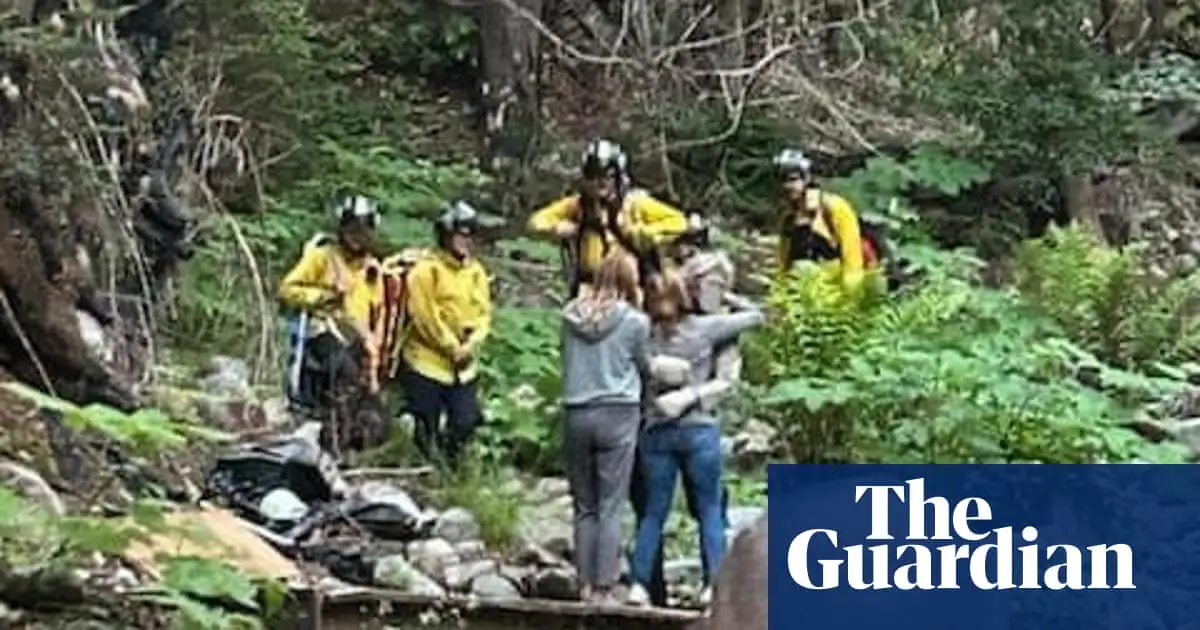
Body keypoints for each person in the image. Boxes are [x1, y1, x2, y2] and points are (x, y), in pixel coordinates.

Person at [629, 270, 764, 607]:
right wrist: (728, 297)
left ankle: (639, 586)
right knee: (708, 510)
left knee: (653, 513)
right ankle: (713, 585)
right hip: (699, 429)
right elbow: (756, 316)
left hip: (655, 428)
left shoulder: (642, 332)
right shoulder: (705, 329)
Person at [559, 250, 657, 604]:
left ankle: (583, 583)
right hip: (618, 412)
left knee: (583, 504)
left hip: (576, 411)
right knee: (610, 505)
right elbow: (645, 368)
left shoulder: (569, 314)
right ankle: (603, 586)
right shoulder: (635, 322)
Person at [278, 194, 385, 454]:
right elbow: (287, 289)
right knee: (343, 372)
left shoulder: (372, 270)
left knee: (371, 401)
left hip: (357, 337)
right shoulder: (322, 256)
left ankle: (354, 442)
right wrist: (324, 296)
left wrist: (374, 344)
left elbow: (377, 311)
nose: (357, 236)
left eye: (363, 230)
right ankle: (333, 438)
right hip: (323, 328)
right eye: (352, 230)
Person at [527, 138, 688, 300]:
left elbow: (678, 221)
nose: (599, 183)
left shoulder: (635, 203)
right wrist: (559, 227)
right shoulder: (577, 205)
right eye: (593, 176)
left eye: (606, 176)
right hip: (589, 287)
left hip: (632, 287)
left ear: (618, 177)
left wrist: (644, 232)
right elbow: (536, 221)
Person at [400, 200, 493, 467]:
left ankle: (451, 465)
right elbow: (424, 316)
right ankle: (429, 472)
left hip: (464, 366)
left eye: (470, 235)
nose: (465, 242)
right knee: (425, 427)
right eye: (460, 235)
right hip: (427, 362)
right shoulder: (425, 271)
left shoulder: (476, 272)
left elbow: (484, 314)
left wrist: (472, 344)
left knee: (465, 421)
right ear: (445, 235)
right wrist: (451, 346)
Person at [773, 148, 883, 293]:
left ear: (806, 178)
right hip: (805, 296)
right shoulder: (788, 219)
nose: (787, 186)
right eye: (783, 180)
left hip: (836, 294)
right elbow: (783, 266)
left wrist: (851, 300)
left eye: (793, 179)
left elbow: (852, 259)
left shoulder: (834, 208)